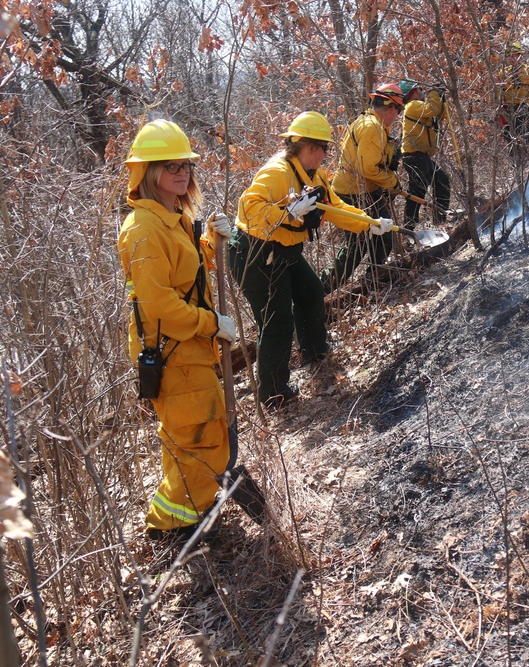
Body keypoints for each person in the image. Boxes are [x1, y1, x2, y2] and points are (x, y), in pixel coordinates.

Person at [119, 119, 256, 543]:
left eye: (186, 165)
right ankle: (172, 526)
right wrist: (212, 323)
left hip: (190, 348)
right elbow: (159, 307)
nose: (182, 171)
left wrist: (208, 246)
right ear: (147, 173)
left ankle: (190, 511)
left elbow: (185, 277)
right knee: (196, 439)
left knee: (203, 434)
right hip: (173, 351)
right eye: (170, 165)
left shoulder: (173, 218)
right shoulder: (143, 230)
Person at [231, 111, 392, 409]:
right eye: (324, 149)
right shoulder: (277, 172)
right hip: (255, 253)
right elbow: (248, 209)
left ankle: (315, 352)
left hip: (286, 250)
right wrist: (288, 214)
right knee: (276, 322)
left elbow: (335, 208)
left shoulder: (315, 176)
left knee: (311, 292)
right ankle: (274, 394)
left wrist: (368, 222)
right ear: (311, 148)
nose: (325, 155)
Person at [320, 82, 405, 293]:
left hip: (362, 190)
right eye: (398, 112)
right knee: (357, 246)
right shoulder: (371, 127)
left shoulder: (370, 123)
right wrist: (393, 182)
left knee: (383, 237)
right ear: (392, 108)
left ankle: (372, 279)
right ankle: (322, 289)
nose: (396, 117)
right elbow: (367, 169)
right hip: (353, 193)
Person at [399, 78, 451, 229]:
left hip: (422, 156)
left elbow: (437, 116)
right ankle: (408, 228)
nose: (423, 92)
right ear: (414, 91)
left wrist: (440, 99)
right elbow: (432, 109)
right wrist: (434, 92)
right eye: (420, 89)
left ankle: (440, 220)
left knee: (441, 180)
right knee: (417, 192)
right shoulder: (413, 105)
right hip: (414, 156)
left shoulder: (420, 108)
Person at [497, 42, 529, 155]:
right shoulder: (503, 72)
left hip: (522, 106)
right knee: (509, 135)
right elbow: (499, 91)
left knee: (524, 133)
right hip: (507, 108)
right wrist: (499, 107)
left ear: (521, 55)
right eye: (510, 56)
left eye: (515, 55)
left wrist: (528, 103)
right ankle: (516, 159)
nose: (513, 58)